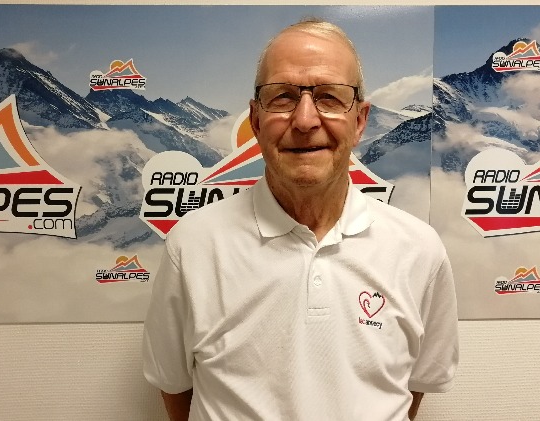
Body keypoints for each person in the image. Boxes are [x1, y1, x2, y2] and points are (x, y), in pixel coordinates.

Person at [142, 18, 458, 421]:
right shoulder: (192, 245)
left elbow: (415, 385)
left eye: (329, 97)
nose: (305, 120)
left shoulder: (420, 250)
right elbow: (174, 385)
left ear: (360, 121)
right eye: (283, 97)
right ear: (256, 121)